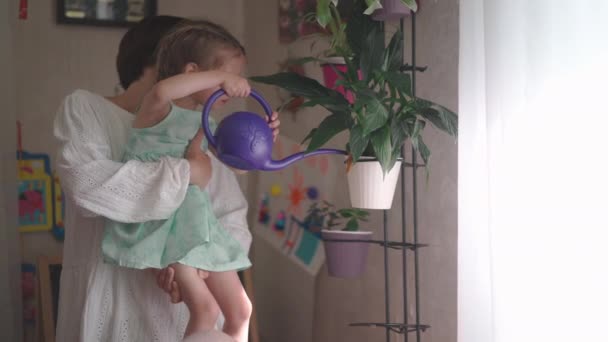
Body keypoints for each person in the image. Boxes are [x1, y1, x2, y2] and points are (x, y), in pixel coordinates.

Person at [53, 16, 280, 342]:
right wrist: (187, 172)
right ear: (178, 64)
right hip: (110, 313)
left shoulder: (200, 123)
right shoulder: (86, 109)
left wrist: (199, 264)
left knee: (229, 312)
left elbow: (229, 216)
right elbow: (89, 186)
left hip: (182, 317)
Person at [103, 21, 255, 341]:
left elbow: (237, 166)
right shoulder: (156, 108)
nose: (229, 88)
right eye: (224, 79)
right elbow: (162, 89)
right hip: (163, 224)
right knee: (206, 310)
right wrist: (221, 78)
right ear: (192, 73)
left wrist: (264, 139)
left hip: (196, 222)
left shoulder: (206, 120)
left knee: (241, 311)